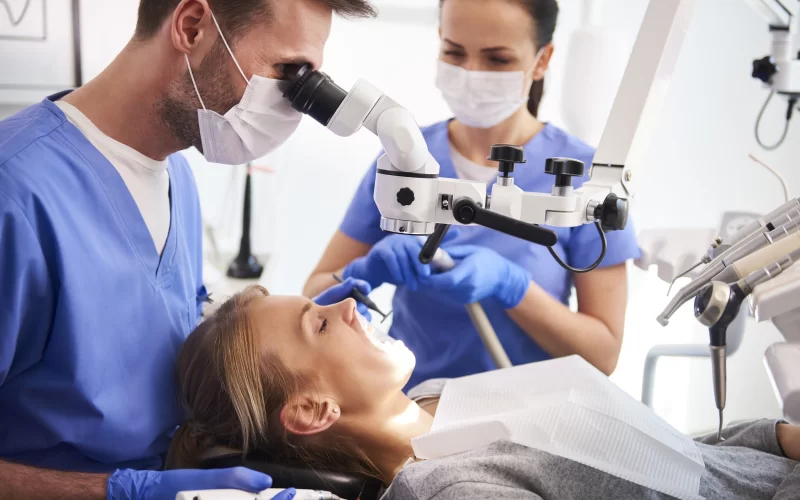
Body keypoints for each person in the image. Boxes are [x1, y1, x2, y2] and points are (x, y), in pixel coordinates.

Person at [0, 0, 376, 498]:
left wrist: (305, 331)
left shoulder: (176, 172)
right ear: (192, 26)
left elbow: (146, 326)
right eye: (288, 73)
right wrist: (115, 491)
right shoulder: (15, 193)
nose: (292, 106)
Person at [168, 287, 800, 499]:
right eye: (322, 322)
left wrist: (772, 437)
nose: (350, 306)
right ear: (311, 410)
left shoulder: (437, 397)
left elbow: (652, 457)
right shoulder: (450, 489)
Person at [303, 0, 641, 389]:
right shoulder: (402, 160)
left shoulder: (586, 178)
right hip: (413, 411)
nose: (471, 73)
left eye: (497, 59)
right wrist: (363, 273)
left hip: (529, 421)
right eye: (454, 52)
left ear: (543, 59)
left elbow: (603, 354)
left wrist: (514, 287)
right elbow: (312, 296)